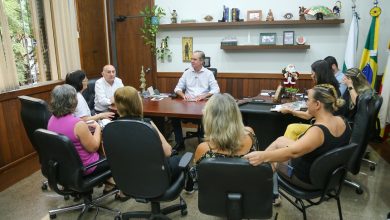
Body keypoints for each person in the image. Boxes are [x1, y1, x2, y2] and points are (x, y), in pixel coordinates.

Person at [244, 84, 351, 202]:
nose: (306, 103)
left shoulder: (318, 131)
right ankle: (255, 182)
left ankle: (254, 189)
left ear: (317, 104)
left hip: (307, 179)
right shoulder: (342, 121)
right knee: (280, 140)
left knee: (273, 161)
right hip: (328, 176)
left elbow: (293, 152)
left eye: (308, 100)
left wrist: (263, 156)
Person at [185, 93, 259, 193]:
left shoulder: (204, 148)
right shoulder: (250, 134)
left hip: (215, 199)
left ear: (209, 118)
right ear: (236, 115)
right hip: (247, 193)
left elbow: (198, 179)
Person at [47, 84, 115, 193]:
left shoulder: (51, 120)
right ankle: (113, 186)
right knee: (113, 155)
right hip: (87, 167)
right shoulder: (78, 124)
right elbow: (93, 147)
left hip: (66, 167)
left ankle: (107, 183)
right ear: (72, 101)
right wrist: (97, 128)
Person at [114, 86, 182, 181]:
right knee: (179, 159)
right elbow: (167, 152)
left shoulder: (110, 127)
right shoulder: (146, 124)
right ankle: (189, 187)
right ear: (138, 103)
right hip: (154, 176)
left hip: (126, 179)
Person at [172, 50, 220, 150]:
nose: (192, 61)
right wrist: (183, 95)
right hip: (188, 104)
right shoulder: (187, 73)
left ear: (202, 61)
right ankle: (180, 143)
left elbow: (216, 89)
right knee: (174, 116)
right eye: (191, 59)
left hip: (203, 105)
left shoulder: (209, 74)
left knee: (211, 115)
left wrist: (204, 95)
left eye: (195, 59)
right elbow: (177, 88)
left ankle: (209, 145)